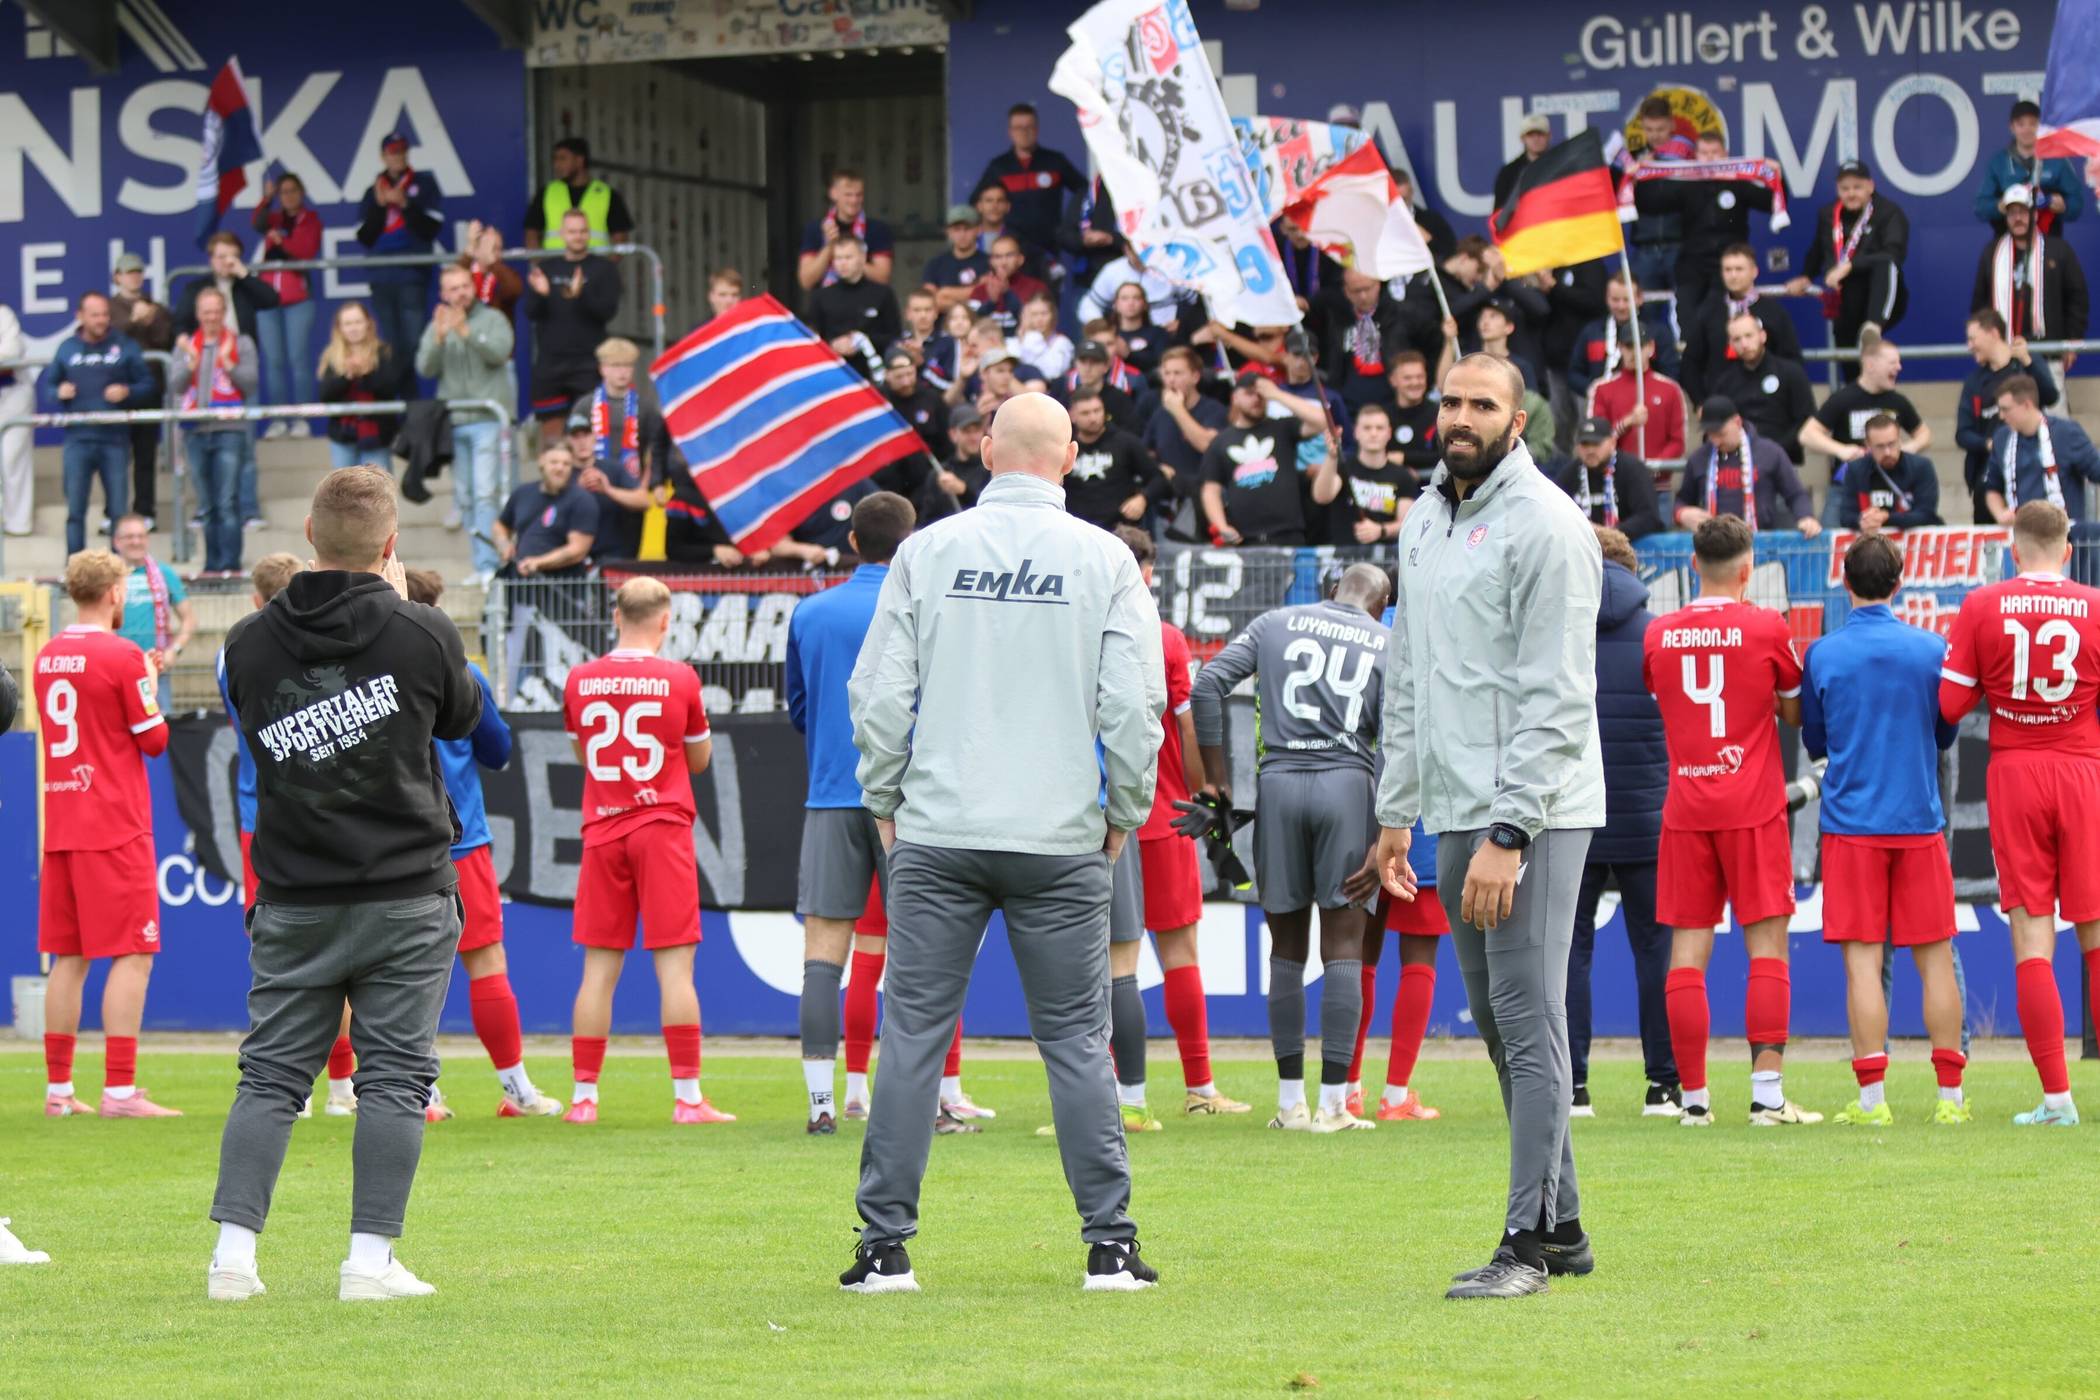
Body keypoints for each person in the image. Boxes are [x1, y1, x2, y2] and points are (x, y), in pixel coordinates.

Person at [844, 392, 1164, 1296]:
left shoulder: (927, 550)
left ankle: (883, 1249)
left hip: (940, 831)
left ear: (987, 451)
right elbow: (1134, 708)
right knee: (1074, 1042)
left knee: (911, 1035)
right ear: (1069, 460)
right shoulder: (1106, 559)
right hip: (1061, 835)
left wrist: (884, 798)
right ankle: (1109, 1245)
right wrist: (1122, 813)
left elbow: (878, 695)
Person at [209, 469, 483, 1302]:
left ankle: (233, 1259)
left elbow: (252, 719)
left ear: (310, 535)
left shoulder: (246, 643)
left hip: (294, 892)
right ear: (391, 545)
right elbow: (463, 719)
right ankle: (368, 1263)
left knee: (269, 1078)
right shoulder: (421, 630)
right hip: (407, 891)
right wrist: (401, 609)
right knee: (395, 1078)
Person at [1372, 354, 1604, 1299]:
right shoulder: (1425, 517)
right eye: (1451, 402)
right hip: (1453, 807)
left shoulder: (1549, 524)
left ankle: (1527, 1246)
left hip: (1532, 812)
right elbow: (1410, 674)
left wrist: (1512, 830)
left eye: (1481, 405)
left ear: (1519, 421)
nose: (1460, 417)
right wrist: (1395, 810)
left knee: (1528, 1017)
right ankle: (1568, 1226)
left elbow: (1557, 692)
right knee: (1509, 1033)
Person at [1188, 563, 1391, 1132]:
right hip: (1348, 787)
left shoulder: (1276, 622)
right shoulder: (1389, 643)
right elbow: (1405, 738)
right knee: (1345, 943)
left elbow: (1207, 685)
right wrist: (1385, 834)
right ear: (1381, 604)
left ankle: (1287, 1105)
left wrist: (1216, 781)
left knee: (1286, 948)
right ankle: (1332, 1107)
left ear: (1332, 591)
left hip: (1278, 784)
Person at [1643, 515, 1821, 1129]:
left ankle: (1693, 1101)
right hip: (1753, 806)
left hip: (1687, 806)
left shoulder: (1659, 633)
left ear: (1694, 565)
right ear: (1748, 571)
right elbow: (1795, 712)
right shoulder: (1767, 627)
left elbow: (1662, 696)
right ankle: (1767, 1097)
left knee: (1688, 952)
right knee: (1767, 946)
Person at [1940, 500, 2100, 1126]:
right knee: (2094, 932)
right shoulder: (2093, 605)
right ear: (2067, 549)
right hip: (2082, 771)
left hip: (2016, 773)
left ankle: (2058, 1099)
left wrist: (1991, 681)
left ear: (2012, 550)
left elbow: (1951, 705)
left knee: (2033, 936)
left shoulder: (1982, 606)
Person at [1801, 534, 1968, 1126]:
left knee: (1862, 963)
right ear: (1900, 583)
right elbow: (1945, 731)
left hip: (1851, 825)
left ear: (1845, 584)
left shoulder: (1823, 653)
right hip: (1918, 820)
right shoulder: (1932, 648)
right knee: (1935, 958)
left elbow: (1814, 741)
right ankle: (1950, 1098)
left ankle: (1872, 1099)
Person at [559, 576, 731, 1127]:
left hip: (603, 828)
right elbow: (699, 761)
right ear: (665, 619)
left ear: (615, 616)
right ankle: (687, 1099)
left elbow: (585, 756)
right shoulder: (680, 677)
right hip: (661, 826)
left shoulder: (580, 679)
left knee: (596, 971)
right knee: (676, 968)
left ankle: (584, 1099)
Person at [399, 569, 559, 1120]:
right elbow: (497, 750)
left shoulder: (369, 673)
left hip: (391, 843)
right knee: (486, 961)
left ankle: (421, 1092)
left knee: (400, 972)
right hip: (460, 839)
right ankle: (517, 1090)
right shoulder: (462, 672)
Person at [787, 493, 914, 1134]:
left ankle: (820, 1105)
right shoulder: (921, 605)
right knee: (922, 954)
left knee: (822, 956)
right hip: (907, 802)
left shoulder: (810, 613)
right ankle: (928, 1099)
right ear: (909, 541)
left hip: (832, 795)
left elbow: (800, 709)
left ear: (854, 543)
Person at [1111, 525, 1247, 1119]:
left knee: (1115, 963)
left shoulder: (1085, 633)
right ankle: (1200, 1089)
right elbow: (1191, 725)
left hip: (1103, 824)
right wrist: (1203, 794)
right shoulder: (1166, 639)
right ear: (1149, 573)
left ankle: (1123, 1097)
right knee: (1180, 953)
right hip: (1163, 817)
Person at [35, 548, 175, 1120]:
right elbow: (155, 739)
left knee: (68, 957)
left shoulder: (45, 656)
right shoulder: (121, 656)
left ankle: (59, 1091)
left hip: (62, 819)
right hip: (114, 823)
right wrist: (145, 680)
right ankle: (120, 1090)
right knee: (134, 953)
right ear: (115, 593)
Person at [217, 554, 358, 1115]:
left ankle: (285, 1083)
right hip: (329, 812)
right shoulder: (333, 649)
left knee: (279, 953)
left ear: (256, 601)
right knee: (347, 949)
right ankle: (341, 1087)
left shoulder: (237, 655)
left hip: (265, 819)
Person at [1569, 528, 1677, 1117]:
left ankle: (1574, 1088)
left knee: (1570, 952)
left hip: (1574, 816)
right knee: (1656, 952)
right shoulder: (1658, 634)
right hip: (1646, 816)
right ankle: (1663, 1086)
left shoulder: (1562, 631)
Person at [416, 264, 515, 583]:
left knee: (487, 493)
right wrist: (440, 337)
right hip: (456, 422)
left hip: (489, 420)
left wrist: (466, 333)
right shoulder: (438, 323)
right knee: (467, 496)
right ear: (444, 293)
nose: (460, 293)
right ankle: (480, 563)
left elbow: (500, 353)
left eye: (465, 286)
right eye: (453, 289)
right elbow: (425, 368)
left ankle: (489, 564)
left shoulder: (493, 318)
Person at [48, 291, 153, 556]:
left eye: (105, 314)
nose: (102, 320)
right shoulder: (67, 347)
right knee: (75, 511)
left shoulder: (125, 345)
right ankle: (75, 571)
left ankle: (117, 572)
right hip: (78, 441)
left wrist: (127, 391)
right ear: (80, 316)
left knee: (118, 512)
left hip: (114, 440)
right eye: (95, 315)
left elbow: (149, 385)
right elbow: (48, 388)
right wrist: (58, 391)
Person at [166, 287, 260, 573]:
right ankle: (211, 565)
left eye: (216, 311)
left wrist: (230, 365)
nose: (211, 317)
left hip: (229, 430)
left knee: (227, 501)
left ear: (224, 312)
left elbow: (251, 383)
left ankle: (230, 565)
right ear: (198, 314)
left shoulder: (241, 343)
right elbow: (175, 386)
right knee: (206, 505)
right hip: (194, 431)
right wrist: (189, 366)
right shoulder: (186, 347)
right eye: (206, 311)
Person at [1787, 160, 1908, 365]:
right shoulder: (1828, 214)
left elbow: (1895, 254)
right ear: (1837, 189)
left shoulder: (1889, 212)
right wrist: (1806, 276)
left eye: (1857, 187)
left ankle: (1873, 327)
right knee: (1849, 362)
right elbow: (1818, 249)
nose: (1851, 193)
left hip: (1879, 292)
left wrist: (1850, 266)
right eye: (1845, 188)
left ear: (1870, 186)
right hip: (1846, 295)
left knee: (1885, 264)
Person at [1199, 371, 1336, 546]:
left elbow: (1323, 420)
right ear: (1235, 397)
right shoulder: (1220, 442)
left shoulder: (1282, 427)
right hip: (1244, 538)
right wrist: (1222, 526)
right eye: (1249, 393)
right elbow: (1210, 489)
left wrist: (1277, 394)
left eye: (1261, 394)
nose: (1257, 398)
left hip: (1288, 533)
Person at [524, 209, 622, 439]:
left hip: (588, 363)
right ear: (562, 234)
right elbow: (531, 312)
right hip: (551, 364)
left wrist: (582, 294)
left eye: (582, 231)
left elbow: (607, 312)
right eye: (572, 231)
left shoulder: (604, 269)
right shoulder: (547, 268)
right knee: (552, 437)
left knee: (589, 434)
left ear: (588, 233)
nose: (577, 236)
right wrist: (542, 294)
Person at [1956, 309, 2059, 524]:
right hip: (1988, 480)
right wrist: (1988, 444)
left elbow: (2050, 396)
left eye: (1973, 338)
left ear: (1993, 333)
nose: (1969, 345)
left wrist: (2028, 361)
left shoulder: (2025, 364)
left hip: (2031, 471)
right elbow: (1962, 433)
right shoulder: (1974, 382)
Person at [574, 338, 666, 564]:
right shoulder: (585, 405)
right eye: (615, 366)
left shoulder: (645, 407)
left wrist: (655, 482)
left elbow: (657, 446)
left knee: (626, 556)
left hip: (630, 486)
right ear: (602, 369)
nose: (622, 372)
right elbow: (574, 445)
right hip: (593, 488)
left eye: (627, 366)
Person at [1970, 184, 2088, 359]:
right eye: (2012, 213)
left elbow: (2077, 299)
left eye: (2023, 211)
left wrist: (2073, 340)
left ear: (2035, 214)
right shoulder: (1992, 253)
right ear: (2006, 218)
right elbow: (1980, 303)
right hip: (2002, 355)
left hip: (2048, 353)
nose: (2018, 218)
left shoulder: (2059, 250)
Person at [1799, 338, 1929, 494]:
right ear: (1870, 365)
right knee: (1830, 519)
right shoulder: (1842, 398)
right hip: (1848, 485)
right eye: (1892, 363)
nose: (1899, 367)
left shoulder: (1898, 401)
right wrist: (1841, 450)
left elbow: (1925, 434)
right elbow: (1807, 435)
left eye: (1899, 362)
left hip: (1890, 486)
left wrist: (1909, 448)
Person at [354, 133, 444, 359]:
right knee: (391, 346)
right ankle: (403, 394)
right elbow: (365, 237)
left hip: (412, 275)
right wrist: (381, 206)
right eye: (393, 152)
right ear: (383, 156)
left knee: (415, 342)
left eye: (402, 151)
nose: (398, 156)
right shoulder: (372, 192)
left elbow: (430, 229)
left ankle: (412, 395)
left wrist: (405, 204)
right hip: (382, 277)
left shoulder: (424, 184)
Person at [1674, 397, 1818, 536]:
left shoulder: (1770, 452)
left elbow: (1795, 494)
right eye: (1711, 435)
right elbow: (1682, 499)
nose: (1716, 441)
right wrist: (1682, 514)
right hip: (1715, 546)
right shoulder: (1698, 458)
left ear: (1737, 422)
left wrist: (1806, 517)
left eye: (1721, 434)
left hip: (1761, 541)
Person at [1679, 243, 1802, 405]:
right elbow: (1690, 362)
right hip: (1721, 405)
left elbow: (1792, 360)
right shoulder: (1709, 312)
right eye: (1727, 270)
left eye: (1739, 269)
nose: (1733, 275)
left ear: (1754, 271)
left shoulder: (1774, 312)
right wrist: (1701, 403)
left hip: (1767, 404)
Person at [251, 170, 324, 434]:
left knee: (298, 358)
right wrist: (266, 199)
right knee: (273, 360)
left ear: (302, 193)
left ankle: (302, 418)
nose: (289, 196)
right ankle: (279, 418)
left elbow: (305, 251)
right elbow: (256, 222)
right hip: (268, 300)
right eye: (283, 191)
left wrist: (283, 242)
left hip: (298, 299)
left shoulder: (311, 219)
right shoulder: (274, 218)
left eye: (293, 190)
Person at [1982, 373, 2100, 524]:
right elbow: (1992, 487)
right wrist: (2000, 514)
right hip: (2022, 535)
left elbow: (2096, 470)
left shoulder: (2066, 433)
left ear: (2026, 405)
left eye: (2006, 409)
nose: (2001, 416)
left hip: (2064, 536)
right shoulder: (2002, 438)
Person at [109, 253, 174, 526]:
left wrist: (148, 321)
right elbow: (110, 339)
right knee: (115, 456)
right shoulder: (109, 308)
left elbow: (165, 340)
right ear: (117, 277)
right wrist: (135, 322)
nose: (134, 276)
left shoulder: (156, 308)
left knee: (145, 454)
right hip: (117, 389)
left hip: (149, 388)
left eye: (138, 271)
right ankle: (114, 512)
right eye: (128, 272)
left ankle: (145, 510)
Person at [971, 103, 1085, 256]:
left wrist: (1071, 226)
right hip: (1010, 248)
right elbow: (975, 201)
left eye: (1029, 127)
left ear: (1037, 130)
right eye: (1018, 128)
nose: (1024, 133)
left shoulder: (1055, 161)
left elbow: (1084, 191)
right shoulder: (999, 166)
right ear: (1010, 132)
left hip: (1048, 247)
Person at [112, 514, 194, 714]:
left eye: (141, 536)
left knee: (160, 728)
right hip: (116, 668)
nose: (136, 541)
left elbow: (189, 619)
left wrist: (174, 650)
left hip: (156, 668)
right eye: (130, 536)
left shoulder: (164, 574)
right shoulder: (108, 575)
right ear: (117, 542)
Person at [1709, 312, 1817, 465]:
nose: (1744, 344)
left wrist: (1774, 451)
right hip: (1739, 464)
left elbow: (1806, 419)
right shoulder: (1724, 382)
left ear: (1762, 336)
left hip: (1784, 461)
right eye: (1737, 339)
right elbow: (1715, 426)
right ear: (1731, 345)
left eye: (1749, 336)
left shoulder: (1790, 372)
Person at [317, 302, 413, 471]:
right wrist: (347, 377)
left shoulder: (384, 352)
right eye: (348, 324)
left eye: (358, 322)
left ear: (368, 323)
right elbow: (324, 395)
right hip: (343, 437)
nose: (353, 328)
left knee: (378, 493)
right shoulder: (331, 355)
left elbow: (390, 389)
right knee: (344, 493)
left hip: (377, 436)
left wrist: (365, 374)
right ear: (339, 328)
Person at [1315, 401, 1423, 546]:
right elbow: (1322, 496)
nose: (1373, 433)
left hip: (1384, 561)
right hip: (1344, 557)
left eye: (1379, 428)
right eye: (1367, 428)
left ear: (1389, 433)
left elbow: (1406, 523)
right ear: (1356, 432)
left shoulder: (1403, 476)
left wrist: (1380, 530)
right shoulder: (1343, 467)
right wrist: (1332, 456)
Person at [1973, 99, 2085, 233]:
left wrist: (2064, 207)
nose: (2027, 130)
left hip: (2049, 241)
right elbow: (1981, 207)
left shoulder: (2057, 160)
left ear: (2040, 127)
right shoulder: (1998, 162)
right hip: (2008, 241)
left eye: (2033, 124)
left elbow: (2076, 203)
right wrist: (2000, 206)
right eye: (2021, 124)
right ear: (2012, 127)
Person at [1583, 324, 1686, 467]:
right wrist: (1626, 423)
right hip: (1615, 481)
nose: (1635, 353)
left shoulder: (1671, 390)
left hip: (1658, 481)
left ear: (1651, 347)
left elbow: (1678, 442)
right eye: (1629, 346)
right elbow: (1596, 438)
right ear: (1620, 347)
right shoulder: (1601, 389)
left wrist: (1651, 468)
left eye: (1640, 346)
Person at [1546, 416, 1662, 540]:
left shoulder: (1632, 469)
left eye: (1596, 443)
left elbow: (1649, 517)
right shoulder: (1570, 473)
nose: (1590, 450)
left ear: (1612, 442)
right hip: (1584, 548)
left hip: (1630, 548)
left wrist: (1606, 534)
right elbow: (1552, 513)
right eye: (1585, 444)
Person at [1064, 387, 1162, 532]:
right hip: (1075, 529)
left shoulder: (1125, 442)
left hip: (1119, 529)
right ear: (1072, 416)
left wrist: (1143, 498)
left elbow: (1158, 479)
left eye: (1097, 411)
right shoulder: (1065, 447)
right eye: (1086, 413)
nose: (1093, 418)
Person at [494, 445, 595, 579]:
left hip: (562, 587)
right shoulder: (522, 493)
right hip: (519, 584)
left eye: (566, 464)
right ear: (541, 461)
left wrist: (539, 563)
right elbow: (501, 525)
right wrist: (503, 544)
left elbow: (578, 550)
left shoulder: (582, 500)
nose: (560, 468)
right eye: (554, 462)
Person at [807, 237, 901, 372]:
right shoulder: (820, 296)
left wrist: (862, 342)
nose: (842, 263)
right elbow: (813, 339)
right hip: (833, 372)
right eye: (838, 258)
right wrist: (833, 345)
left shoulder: (883, 294)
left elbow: (894, 337)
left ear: (862, 258)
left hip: (873, 374)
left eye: (848, 257)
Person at [1323, 270, 1412, 409]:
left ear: (1378, 284)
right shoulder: (1338, 318)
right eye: (1356, 291)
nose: (1363, 296)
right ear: (1346, 291)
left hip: (1393, 401)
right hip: (1350, 404)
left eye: (1367, 289)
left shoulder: (1400, 314)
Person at [527, 136, 633, 252]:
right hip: (554, 267)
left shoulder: (608, 195)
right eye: (555, 159)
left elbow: (620, 240)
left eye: (562, 159)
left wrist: (605, 268)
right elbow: (531, 233)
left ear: (579, 161)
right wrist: (540, 265)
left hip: (594, 267)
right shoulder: (546, 192)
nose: (556, 165)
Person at [1837, 414, 1941, 532]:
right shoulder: (1855, 469)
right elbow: (1845, 515)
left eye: (1892, 444)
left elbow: (1926, 514)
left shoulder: (1921, 466)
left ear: (1899, 440)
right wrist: (1862, 520)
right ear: (1868, 445)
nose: (1887, 452)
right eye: (1880, 446)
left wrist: (1886, 518)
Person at [799, 167, 893, 289]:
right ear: (833, 194)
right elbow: (806, 281)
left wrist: (853, 257)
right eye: (848, 195)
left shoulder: (877, 229)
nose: (854, 200)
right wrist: (829, 246)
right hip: (826, 302)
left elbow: (883, 278)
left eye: (858, 195)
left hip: (864, 300)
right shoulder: (815, 229)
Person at [968, 237, 1047, 335]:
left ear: (1020, 259)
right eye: (998, 257)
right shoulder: (979, 291)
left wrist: (1007, 294)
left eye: (1009, 255)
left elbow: (1038, 323)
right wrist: (991, 303)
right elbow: (970, 325)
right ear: (991, 261)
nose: (1003, 262)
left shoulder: (1036, 288)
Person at [922, 204, 992, 312]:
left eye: (967, 229)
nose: (962, 234)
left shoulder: (990, 263)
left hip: (980, 327)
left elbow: (990, 298)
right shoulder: (935, 264)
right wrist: (976, 289)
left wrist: (945, 292)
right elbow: (930, 303)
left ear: (978, 230)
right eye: (956, 229)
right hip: (943, 327)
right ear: (948, 232)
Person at [0, 301, 32, 535]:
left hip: (13, 394)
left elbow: (8, 354)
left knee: (12, 457)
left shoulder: (4, 315)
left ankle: (19, 524)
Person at [1493, 114, 1555, 211]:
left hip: (1553, 224)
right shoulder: (1509, 173)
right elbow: (1499, 212)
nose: (1536, 139)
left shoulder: (1561, 167)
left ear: (1549, 136)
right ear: (1522, 138)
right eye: (1530, 135)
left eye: (1540, 134)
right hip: (1524, 225)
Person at [461, 221, 522, 318]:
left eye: (499, 248)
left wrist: (492, 262)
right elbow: (451, 284)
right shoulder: (465, 273)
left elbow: (514, 290)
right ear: (476, 250)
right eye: (490, 247)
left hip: (498, 331)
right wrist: (469, 249)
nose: (495, 253)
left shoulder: (504, 275)